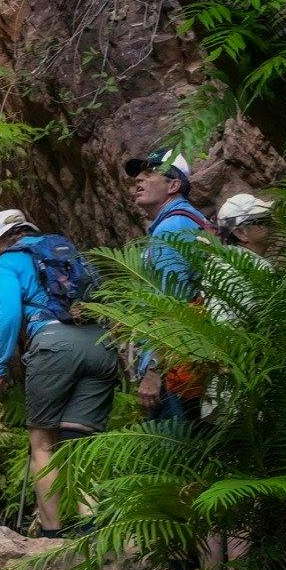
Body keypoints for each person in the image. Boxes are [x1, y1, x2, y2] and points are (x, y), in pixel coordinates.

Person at [0, 209, 118, 537]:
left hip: (54, 345)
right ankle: (92, 530)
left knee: (42, 443)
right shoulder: (66, 251)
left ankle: (51, 535)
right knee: (83, 442)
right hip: (100, 344)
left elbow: (9, 316)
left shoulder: (8, 262)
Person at [124, 148, 213, 423]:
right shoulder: (189, 221)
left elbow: (172, 307)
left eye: (150, 173)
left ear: (174, 185)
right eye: (137, 175)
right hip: (193, 358)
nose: (138, 180)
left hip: (175, 369)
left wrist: (153, 371)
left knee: (175, 453)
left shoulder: (171, 229)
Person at [217, 192, 276, 259]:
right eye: (264, 220)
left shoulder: (231, 259)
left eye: (270, 217)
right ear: (241, 233)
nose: (273, 223)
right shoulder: (254, 266)